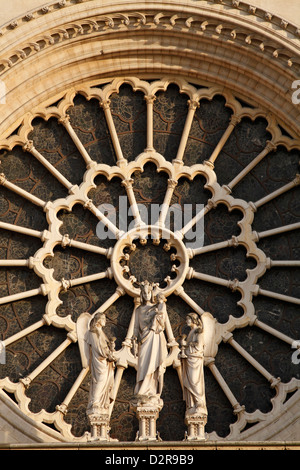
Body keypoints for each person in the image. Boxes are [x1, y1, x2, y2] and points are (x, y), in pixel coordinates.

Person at [132, 281, 168, 401]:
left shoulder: (157, 307)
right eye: (144, 292)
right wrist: (134, 341)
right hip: (143, 340)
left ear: (151, 293)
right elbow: (136, 327)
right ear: (141, 294)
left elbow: (162, 322)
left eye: (149, 292)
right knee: (143, 365)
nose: (147, 295)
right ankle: (142, 388)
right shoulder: (138, 310)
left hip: (154, 337)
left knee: (154, 364)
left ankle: (151, 389)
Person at [86, 312, 115, 415]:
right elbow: (98, 348)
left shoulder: (101, 332)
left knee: (104, 381)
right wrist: (108, 354)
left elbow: (103, 346)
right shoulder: (93, 332)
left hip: (105, 361)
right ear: (98, 320)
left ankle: (99, 402)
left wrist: (110, 347)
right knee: (100, 380)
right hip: (100, 360)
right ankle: (95, 401)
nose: (105, 321)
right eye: (103, 319)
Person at [180, 313, 207, 416]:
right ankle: (192, 405)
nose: (187, 321)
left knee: (195, 382)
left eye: (188, 319)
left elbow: (199, 347)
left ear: (193, 320)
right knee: (190, 382)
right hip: (189, 360)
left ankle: (199, 404)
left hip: (195, 360)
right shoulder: (191, 332)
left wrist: (186, 346)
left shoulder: (199, 331)